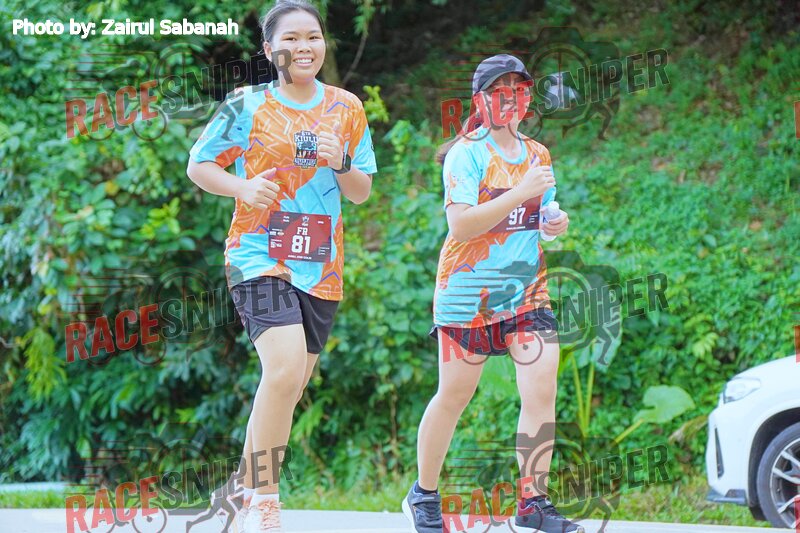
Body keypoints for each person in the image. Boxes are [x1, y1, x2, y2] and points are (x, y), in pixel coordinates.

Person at [186, 1, 377, 531]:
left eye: (312, 37)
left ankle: (240, 488)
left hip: (321, 262)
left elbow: (360, 191)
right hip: (258, 253)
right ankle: (264, 500)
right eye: (290, 39)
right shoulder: (246, 105)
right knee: (285, 369)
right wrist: (242, 186)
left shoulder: (346, 107)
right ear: (270, 50)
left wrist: (340, 160)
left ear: (323, 44)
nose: (303, 47)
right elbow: (199, 165)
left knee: (288, 384)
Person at [402, 54, 582, 533]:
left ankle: (533, 503)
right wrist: (520, 191)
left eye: (519, 90)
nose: (511, 99)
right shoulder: (467, 153)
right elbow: (461, 225)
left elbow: (540, 218)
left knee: (541, 387)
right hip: (467, 294)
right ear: (480, 101)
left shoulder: (538, 155)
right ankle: (423, 494)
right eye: (500, 91)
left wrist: (553, 224)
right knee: (453, 396)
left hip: (526, 291)